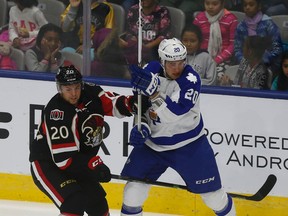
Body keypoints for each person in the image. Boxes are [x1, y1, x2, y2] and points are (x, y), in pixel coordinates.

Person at [120, 38, 236, 216]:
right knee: (132, 194)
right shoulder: (149, 71)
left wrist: (153, 92)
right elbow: (140, 105)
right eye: (172, 63)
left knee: (214, 197)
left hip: (189, 146)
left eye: (181, 62)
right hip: (153, 147)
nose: (177, 68)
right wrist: (141, 125)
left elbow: (172, 115)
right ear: (162, 61)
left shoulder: (190, 79)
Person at [29, 65, 148, 216]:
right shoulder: (56, 112)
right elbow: (63, 160)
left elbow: (111, 103)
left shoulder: (91, 93)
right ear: (59, 89)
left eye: (77, 87)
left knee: (98, 205)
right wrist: (95, 165)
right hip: (48, 164)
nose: (73, 94)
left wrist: (131, 104)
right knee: (73, 203)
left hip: (78, 163)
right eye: (68, 89)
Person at [193, 0, 238, 84]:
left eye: (214, 4)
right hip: (202, 57)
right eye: (207, 3)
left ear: (222, 4)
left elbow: (233, 44)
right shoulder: (199, 18)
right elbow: (194, 38)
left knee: (219, 79)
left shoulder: (231, 19)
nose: (210, 7)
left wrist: (217, 60)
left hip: (223, 60)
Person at [233, 0, 283, 77]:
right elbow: (237, 50)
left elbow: (277, 49)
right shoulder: (241, 26)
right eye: (245, 5)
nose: (247, 7)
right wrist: (246, 63)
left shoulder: (268, 24)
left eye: (251, 4)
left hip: (268, 66)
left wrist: (260, 61)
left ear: (259, 6)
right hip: (246, 66)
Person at [120, 0, 172, 65]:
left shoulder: (162, 11)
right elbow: (129, 32)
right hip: (135, 46)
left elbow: (164, 35)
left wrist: (146, 47)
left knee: (153, 64)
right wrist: (136, 43)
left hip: (154, 48)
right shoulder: (133, 10)